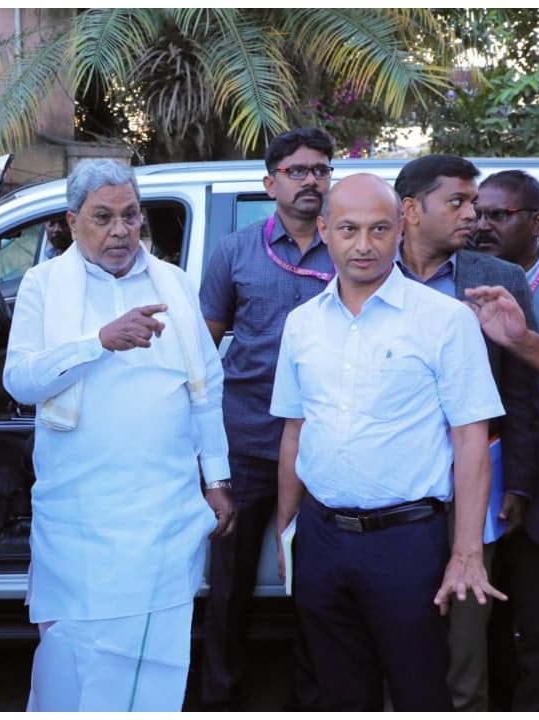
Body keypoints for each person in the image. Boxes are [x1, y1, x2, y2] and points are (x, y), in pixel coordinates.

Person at [3, 159, 235, 711]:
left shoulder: (173, 284)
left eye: (130, 216)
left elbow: (208, 390)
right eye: (103, 217)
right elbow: (20, 381)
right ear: (71, 220)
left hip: (163, 513)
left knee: (154, 660)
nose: (120, 230)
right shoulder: (41, 285)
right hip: (78, 516)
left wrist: (218, 478)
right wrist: (98, 342)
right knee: (71, 654)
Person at [271, 173, 505, 711]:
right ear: (324, 230)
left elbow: (471, 440)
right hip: (322, 538)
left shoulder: (445, 321)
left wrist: (466, 554)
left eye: (379, 229)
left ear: (401, 227)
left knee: (420, 689)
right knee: (336, 691)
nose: (364, 245)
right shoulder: (302, 324)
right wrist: (288, 534)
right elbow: (295, 431)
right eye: (349, 229)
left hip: (408, 543)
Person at [394, 154, 539, 711]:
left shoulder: (500, 280)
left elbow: (525, 393)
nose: (473, 217)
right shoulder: (370, 274)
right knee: (402, 634)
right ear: (410, 210)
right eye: (458, 203)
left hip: (479, 485)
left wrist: (522, 484)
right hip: (397, 489)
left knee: (467, 641)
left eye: (476, 205)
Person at [198, 127, 334, 711]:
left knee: (320, 588)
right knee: (228, 591)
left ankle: (316, 698)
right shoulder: (235, 251)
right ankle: (223, 699)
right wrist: (208, 463)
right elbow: (204, 354)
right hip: (249, 442)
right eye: (297, 171)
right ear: (270, 182)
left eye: (320, 171)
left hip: (329, 447)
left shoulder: (355, 248)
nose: (311, 181)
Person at [471, 169, 539, 710]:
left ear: (535, 220)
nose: (481, 225)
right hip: (495, 476)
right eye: (476, 213)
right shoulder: (468, 280)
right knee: (493, 615)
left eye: (497, 215)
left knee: (538, 611)